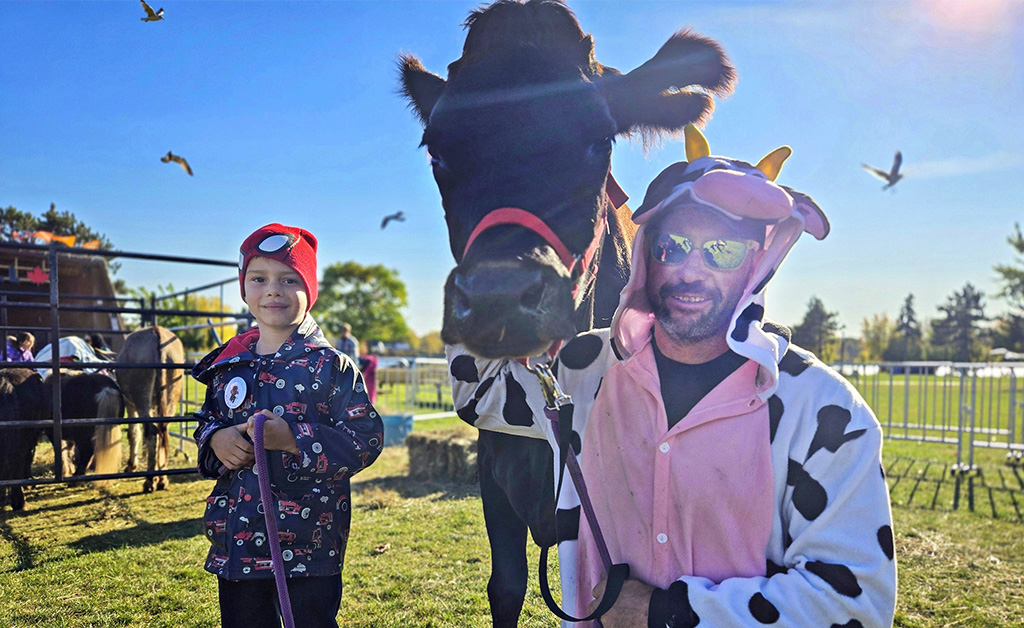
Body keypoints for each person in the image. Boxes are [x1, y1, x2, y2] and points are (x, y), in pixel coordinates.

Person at [447, 126, 896, 627]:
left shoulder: (825, 411)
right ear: (645, 257)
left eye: (721, 250)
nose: (691, 269)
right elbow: (477, 391)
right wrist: (506, 244)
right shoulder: (584, 370)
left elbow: (856, 607)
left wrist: (666, 615)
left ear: (757, 262)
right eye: (673, 246)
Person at [193, 223, 384, 628]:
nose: (272, 290)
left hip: (309, 547)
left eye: (288, 279)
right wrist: (216, 439)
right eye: (259, 278)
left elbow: (366, 438)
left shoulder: (330, 367)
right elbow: (207, 420)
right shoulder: (227, 366)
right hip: (238, 540)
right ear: (244, 289)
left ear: (309, 291)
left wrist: (296, 440)